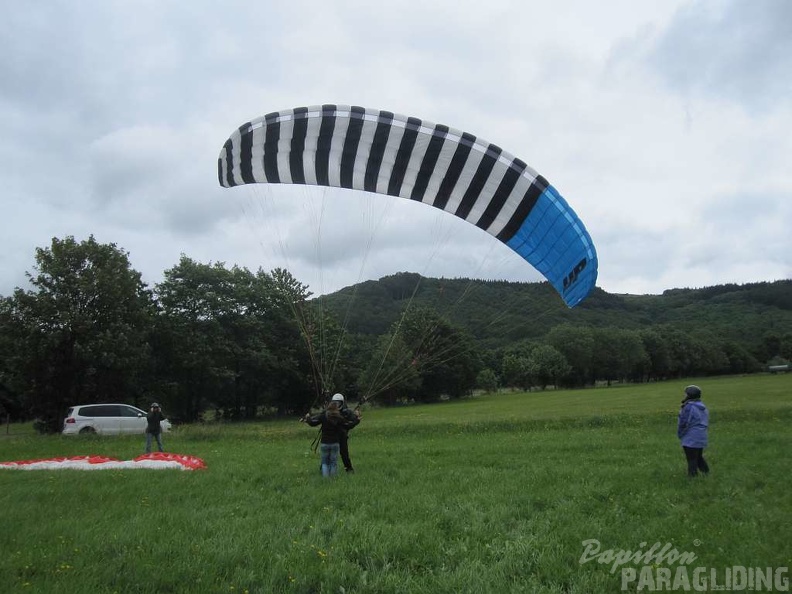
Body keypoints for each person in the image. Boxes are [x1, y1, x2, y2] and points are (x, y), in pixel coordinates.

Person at [301, 400, 356, 477]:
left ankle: (326, 478)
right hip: (335, 443)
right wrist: (357, 420)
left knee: (325, 462)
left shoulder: (323, 416)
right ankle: (333, 478)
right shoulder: (339, 418)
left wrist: (308, 419)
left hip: (324, 443)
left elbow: (313, 423)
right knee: (333, 462)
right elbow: (347, 425)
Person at [677, 385, 710, 477]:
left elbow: (684, 423)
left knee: (691, 459)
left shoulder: (689, 407)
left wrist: (680, 434)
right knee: (698, 457)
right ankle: (706, 473)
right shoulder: (702, 406)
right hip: (701, 435)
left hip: (691, 437)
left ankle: (692, 478)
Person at [330, 393, 361, 473]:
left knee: (344, 454)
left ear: (342, 403)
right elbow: (319, 418)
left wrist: (357, 417)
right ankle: (325, 469)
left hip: (342, 437)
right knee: (330, 454)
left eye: (338, 403)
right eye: (335, 403)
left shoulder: (347, 412)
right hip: (332, 436)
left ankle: (349, 469)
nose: (337, 405)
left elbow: (351, 423)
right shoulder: (329, 413)